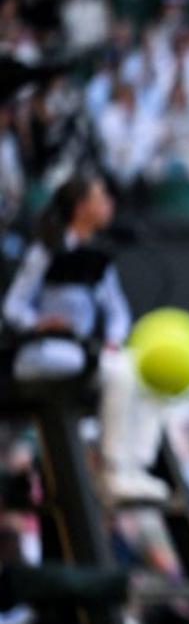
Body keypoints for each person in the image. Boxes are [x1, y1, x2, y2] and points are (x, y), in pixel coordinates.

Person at [2, 174, 168, 501]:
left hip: (85, 351)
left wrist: (114, 338)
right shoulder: (46, 251)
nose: (109, 204)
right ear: (81, 207)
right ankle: (113, 469)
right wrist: (39, 323)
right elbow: (12, 306)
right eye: (101, 197)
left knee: (142, 370)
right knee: (117, 372)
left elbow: (118, 311)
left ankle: (136, 466)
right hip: (45, 352)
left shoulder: (98, 258)